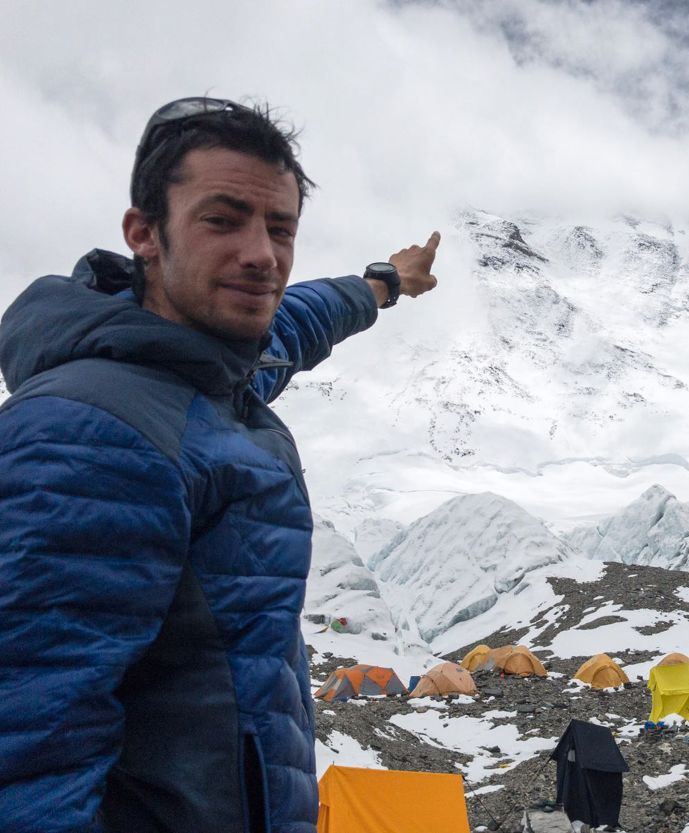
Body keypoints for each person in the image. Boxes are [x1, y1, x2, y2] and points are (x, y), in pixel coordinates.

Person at [0, 97, 438, 832]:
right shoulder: (91, 433)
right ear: (144, 233)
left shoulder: (208, 373)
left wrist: (382, 284)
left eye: (280, 227)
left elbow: (296, 322)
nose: (262, 252)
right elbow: (27, 753)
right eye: (223, 218)